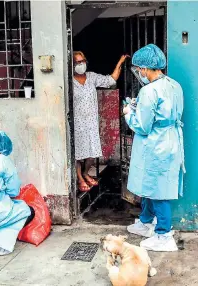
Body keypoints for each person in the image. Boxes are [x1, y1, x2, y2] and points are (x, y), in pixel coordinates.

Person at [123, 44, 185, 252]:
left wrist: (127, 112)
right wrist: (138, 106)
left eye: (138, 69)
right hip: (170, 140)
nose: (138, 72)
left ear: (145, 68)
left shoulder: (149, 90)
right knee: (150, 184)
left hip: (156, 143)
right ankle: (146, 221)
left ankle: (164, 235)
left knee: (159, 190)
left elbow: (142, 125)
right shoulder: (174, 85)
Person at [73, 51, 128, 192]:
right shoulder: (69, 81)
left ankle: (86, 173)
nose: (81, 64)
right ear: (72, 64)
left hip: (91, 122)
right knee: (78, 155)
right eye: (78, 62)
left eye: (83, 61)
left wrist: (120, 62)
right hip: (77, 124)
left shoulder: (92, 77)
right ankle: (80, 178)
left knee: (91, 153)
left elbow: (111, 79)